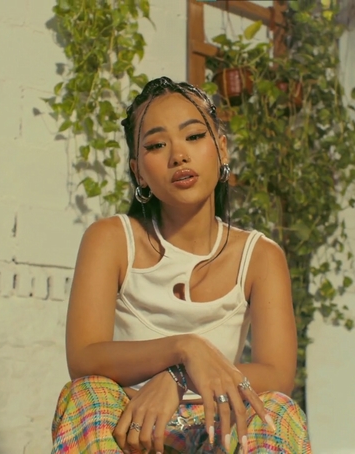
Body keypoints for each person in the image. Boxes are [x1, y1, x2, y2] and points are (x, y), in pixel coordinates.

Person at [51, 77, 311, 454]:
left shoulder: (260, 256)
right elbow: (84, 358)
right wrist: (183, 349)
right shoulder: (111, 239)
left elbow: (276, 375)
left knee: (277, 411)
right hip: (130, 424)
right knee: (86, 393)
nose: (178, 156)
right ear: (139, 171)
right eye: (157, 145)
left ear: (222, 149)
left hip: (217, 424)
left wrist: (178, 378)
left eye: (193, 136)